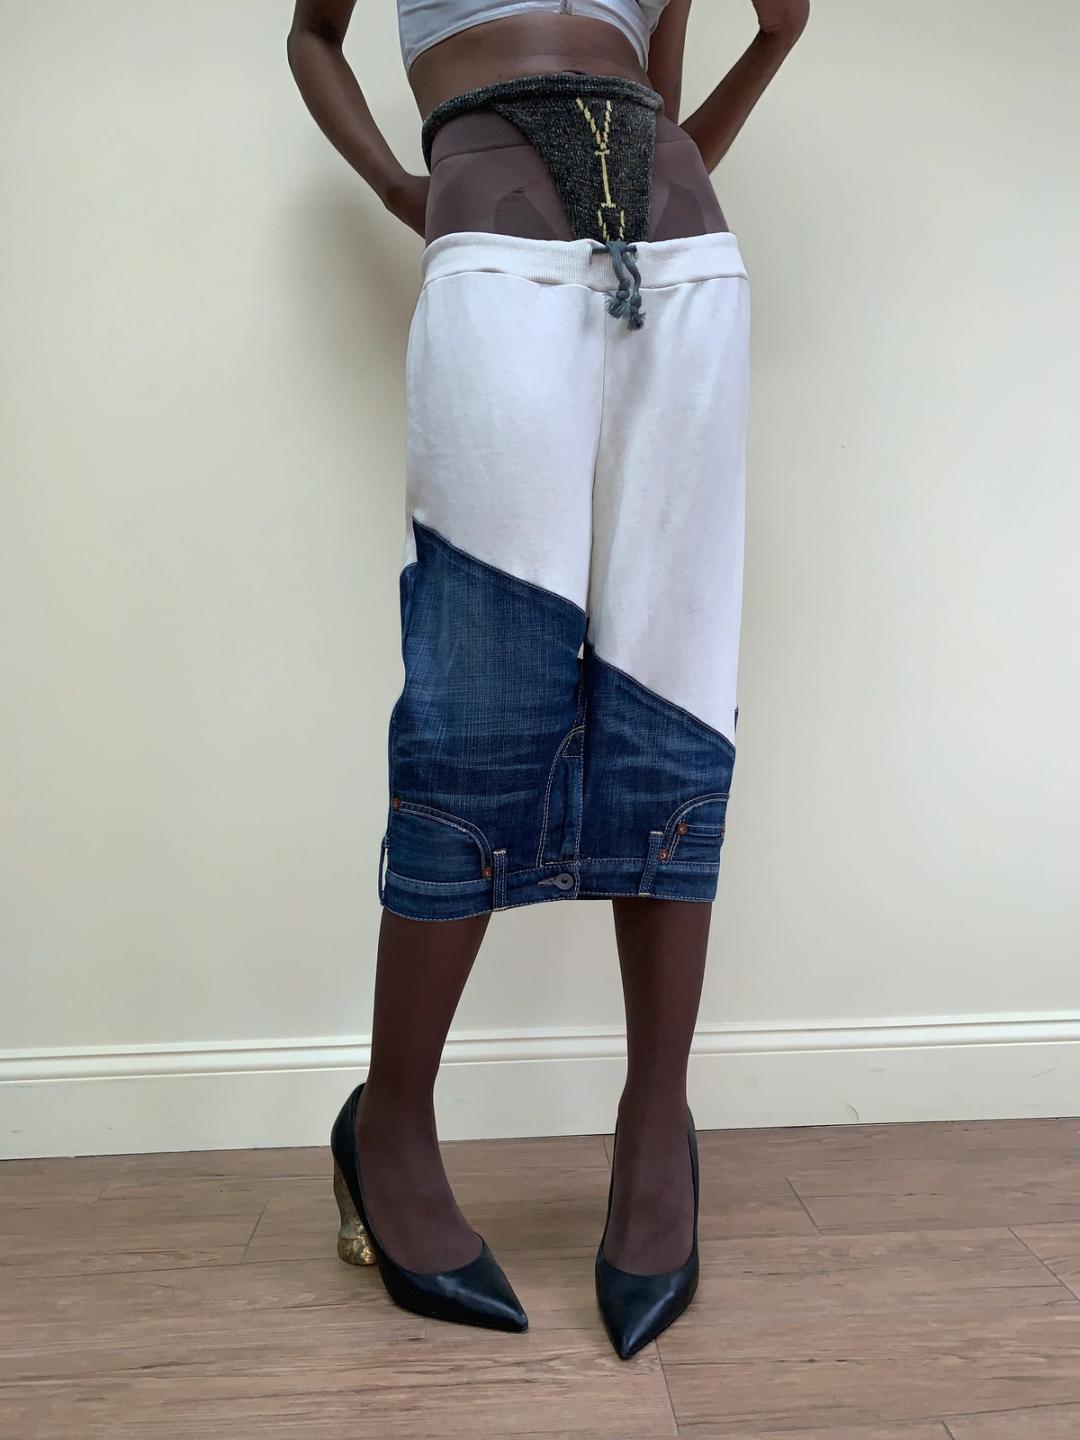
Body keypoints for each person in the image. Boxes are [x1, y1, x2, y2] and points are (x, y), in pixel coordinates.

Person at [287, 0, 809, 1359]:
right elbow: (313, 36)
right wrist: (400, 187)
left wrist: (777, 40)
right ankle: (390, 1123)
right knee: (478, 699)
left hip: (684, 263)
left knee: (671, 686)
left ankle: (656, 1126)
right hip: (494, 253)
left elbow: (670, 119)